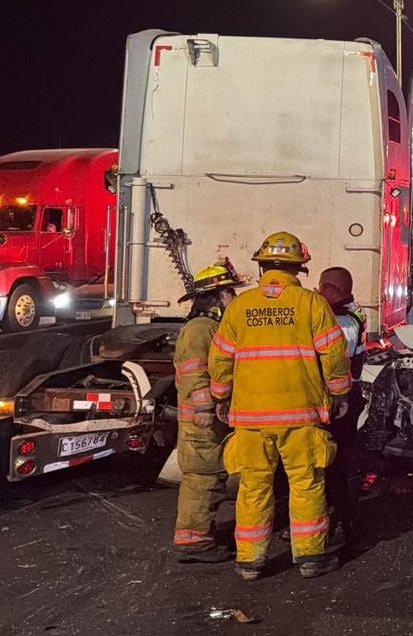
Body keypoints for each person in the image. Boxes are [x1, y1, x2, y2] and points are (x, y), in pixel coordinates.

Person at [210, 231, 350, 581]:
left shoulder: (240, 307)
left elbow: (220, 359)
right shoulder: (311, 304)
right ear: (299, 268)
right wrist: (339, 393)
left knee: (254, 487)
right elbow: (334, 354)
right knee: (306, 484)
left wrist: (221, 397)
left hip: (251, 418)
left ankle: (250, 563)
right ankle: (310, 558)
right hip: (301, 415)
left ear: (262, 266)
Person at [170, 260, 245, 563]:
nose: (234, 299)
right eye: (230, 293)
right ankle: (194, 541)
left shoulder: (211, 327)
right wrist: (204, 408)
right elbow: (195, 372)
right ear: (217, 296)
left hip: (210, 418)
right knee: (202, 477)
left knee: (210, 477)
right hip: (201, 420)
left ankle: (201, 533)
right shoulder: (200, 329)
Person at [317, 266, 367, 547]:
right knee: (340, 460)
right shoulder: (349, 313)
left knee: (337, 461)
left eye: (322, 288)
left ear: (332, 290)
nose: (318, 293)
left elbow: (335, 362)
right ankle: (343, 517)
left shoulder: (343, 322)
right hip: (346, 395)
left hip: (342, 399)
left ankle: (342, 522)